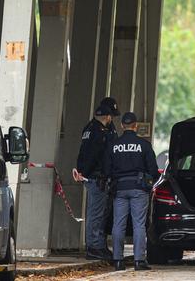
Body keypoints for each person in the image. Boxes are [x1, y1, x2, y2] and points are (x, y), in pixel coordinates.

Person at [106, 112, 159, 271]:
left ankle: (117, 260)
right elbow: (154, 171)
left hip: (120, 188)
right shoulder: (144, 145)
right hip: (138, 188)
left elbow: (106, 170)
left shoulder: (114, 145)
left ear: (122, 125)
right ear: (135, 126)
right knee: (138, 224)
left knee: (118, 224)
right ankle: (139, 260)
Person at [74, 102, 117, 261]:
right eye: (111, 116)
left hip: (92, 176)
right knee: (96, 214)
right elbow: (94, 156)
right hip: (97, 178)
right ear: (107, 116)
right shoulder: (99, 132)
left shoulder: (89, 128)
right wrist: (86, 172)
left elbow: (83, 153)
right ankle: (94, 247)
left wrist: (81, 171)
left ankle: (98, 245)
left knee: (99, 213)